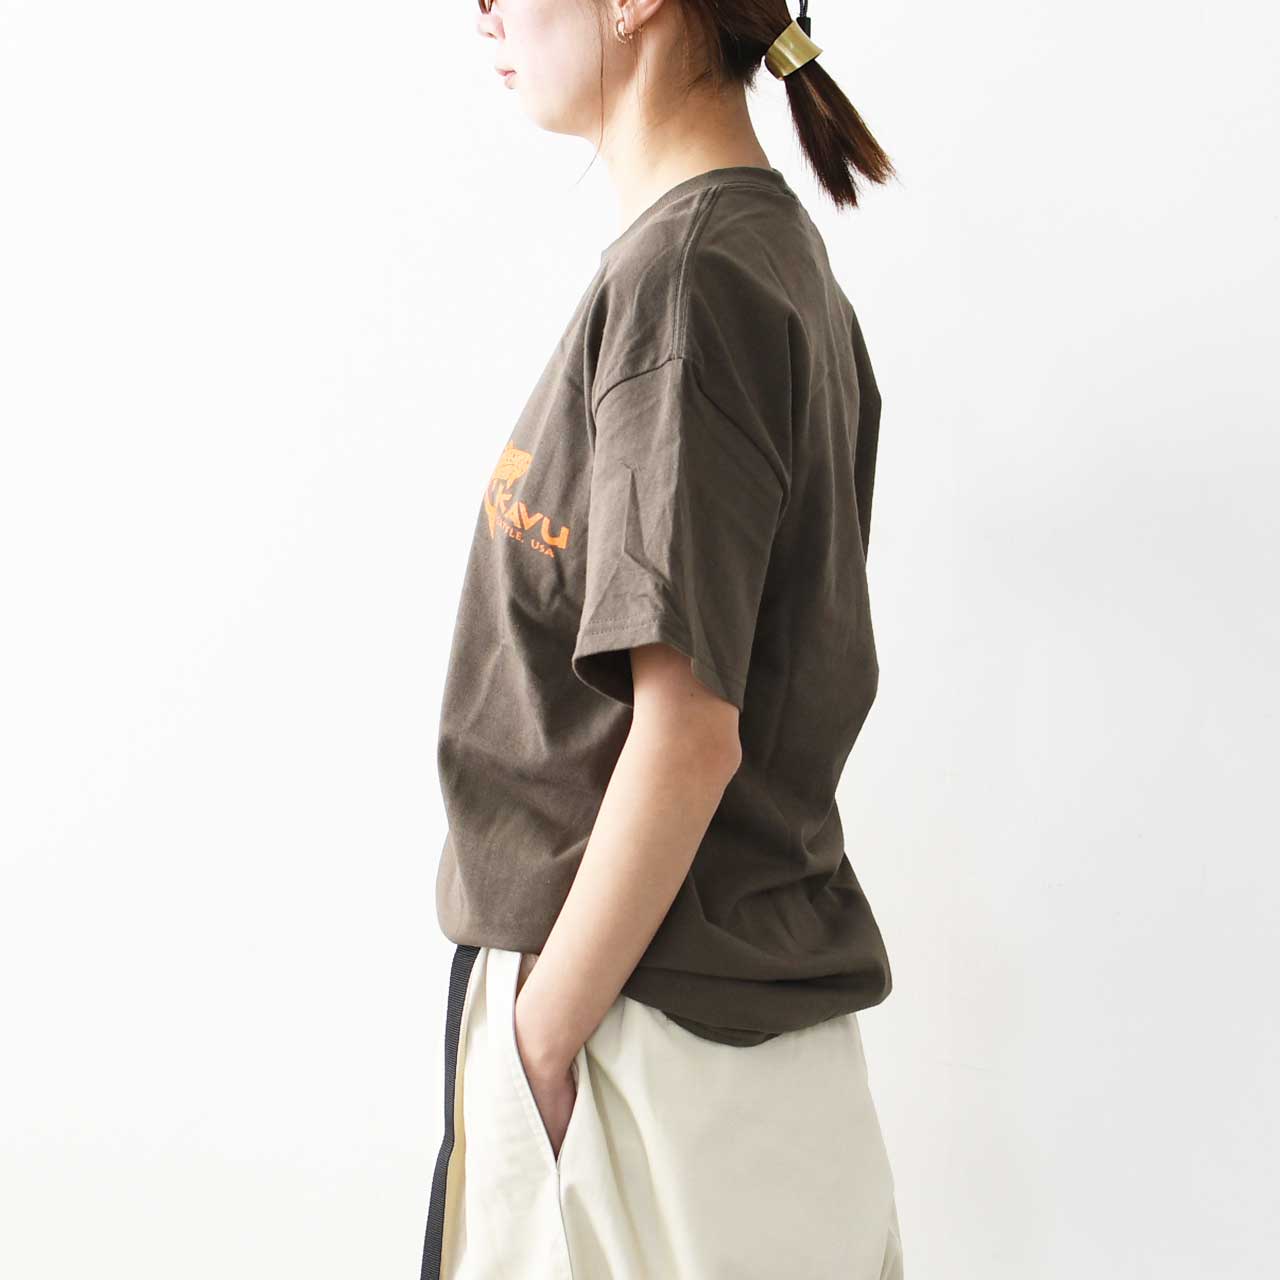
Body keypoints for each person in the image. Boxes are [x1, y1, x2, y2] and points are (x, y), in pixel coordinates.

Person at [420, 2, 903, 1276]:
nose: (479, 11)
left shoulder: (687, 283)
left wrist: (536, 1041)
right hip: (688, 1050)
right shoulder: (749, 257)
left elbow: (687, 731)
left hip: (641, 1052)